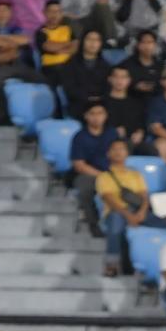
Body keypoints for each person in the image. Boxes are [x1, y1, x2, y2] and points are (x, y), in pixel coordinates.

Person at [96, 138, 166, 275]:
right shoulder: (104, 176)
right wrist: (129, 216)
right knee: (115, 225)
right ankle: (111, 264)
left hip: (137, 211)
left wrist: (141, 212)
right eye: (114, 149)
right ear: (108, 154)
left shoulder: (136, 175)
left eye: (121, 149)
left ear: (127, 153)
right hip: (116, 212)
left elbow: (144, 196)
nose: (118, 152)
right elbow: (110, 199)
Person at [0, 0, 35, 126]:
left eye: (5, 10)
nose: (1, 13)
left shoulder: (17, 28)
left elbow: (25, 40)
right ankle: (2, 117)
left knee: (44, 81)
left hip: (21, 65)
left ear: (11, 13)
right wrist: (13, 45)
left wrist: (3, 41)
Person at [70, 102, 118, 238]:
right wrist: (102, 176)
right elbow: (79, 165)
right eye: (93, 114)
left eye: (100, 113)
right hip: (89, 174)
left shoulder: (112, 133)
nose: (97, 117)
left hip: (111, 173)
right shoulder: (79, 137)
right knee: (85, 187)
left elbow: (120, 155)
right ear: (86, 116)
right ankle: (93, 224)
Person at [61, 30, 111, 120]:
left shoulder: (106, 66)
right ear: (82, 42)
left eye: (97, 40)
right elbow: (69, 88)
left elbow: (108, 87)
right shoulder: (70, 64)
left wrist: (99, 98)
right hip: (79, 104)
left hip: (101, 104)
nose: (93, 43)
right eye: (89, 39)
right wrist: (88, 98)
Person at [103, 65, 150, 153]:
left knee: (151, 150)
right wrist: (112, 131)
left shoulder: (137, 103)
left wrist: (140, 132)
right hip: (109, 141)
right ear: (110, 79)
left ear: (129, 80)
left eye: (124, 77)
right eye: (116, 77)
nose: (119, 81)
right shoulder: (102, 103)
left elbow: (141, 123)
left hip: (134, 141)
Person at [34, 0, 78, 93]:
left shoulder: (67, 29)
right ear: (45, 13)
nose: (54, 14)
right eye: (51, 11)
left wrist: (58, 49)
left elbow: (76, 47)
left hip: (70, 66)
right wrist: (68, 44)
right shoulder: (41, 32)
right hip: (51, 68)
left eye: (58, 11)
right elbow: (48, 47)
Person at [121, 29, 164, 100]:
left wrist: (154, 87)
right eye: (143, 42)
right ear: (138, 45)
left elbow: (164, 86)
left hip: (154, 103)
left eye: (150, 42)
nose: (147, 46)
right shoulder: (126, 65)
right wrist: (135, 86)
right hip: (132, 102)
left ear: (155, 45)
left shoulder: (160, 65)